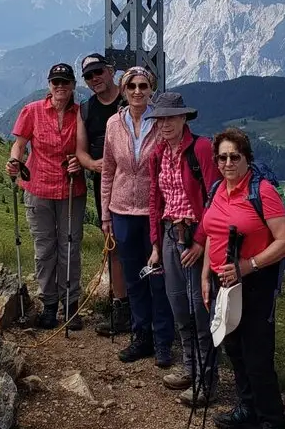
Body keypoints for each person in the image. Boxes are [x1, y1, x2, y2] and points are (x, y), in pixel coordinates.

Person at [200, 127, 285, 429]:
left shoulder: (261, 190)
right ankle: (248, 409)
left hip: (255, 284)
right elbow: (213, 235)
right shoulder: (216, 190)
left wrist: (248, 265)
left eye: (234, 157)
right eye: (222, 157)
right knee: (235, 350)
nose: (228, 163)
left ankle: (271, 420)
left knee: (257, 355)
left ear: (247, 158)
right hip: (222, 281)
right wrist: (205, 276)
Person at [145, 92, 220, 403]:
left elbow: (216, 199)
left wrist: (202, 241)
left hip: (195, 237)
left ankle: (206, 381)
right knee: (179, 307)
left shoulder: (201, 149)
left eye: (171, 118)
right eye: (160, 119)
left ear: (183, 119)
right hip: (169, 235)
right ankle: (190, 369)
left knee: (200, 310)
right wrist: (154, 244)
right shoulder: (158, 153)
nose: (165, 124)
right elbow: (154, 199)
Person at [100, 67, 175, 364]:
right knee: (133, 278)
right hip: (121, 211)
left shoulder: (161, 122)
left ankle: (163, 341)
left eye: (143, 86)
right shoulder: (112, 125)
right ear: (123, 89)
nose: (137, 91)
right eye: (131, 85)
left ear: (151, 89)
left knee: (158, 277)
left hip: (155, 212)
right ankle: (140, 335)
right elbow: (108, 170)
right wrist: (106, 213)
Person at [7, 63, 86, 330]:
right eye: (56, 82)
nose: (60, 87)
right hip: (38, 187)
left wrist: (80, 162)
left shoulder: (81, 114)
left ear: (73, 85)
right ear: (49, 85)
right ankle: (50, 305)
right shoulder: (32, 111)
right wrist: (14, 162)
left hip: (70, 188)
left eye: (65, 82)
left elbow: (85, 150)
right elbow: (19, 144)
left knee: (70, 247)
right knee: (44, 250)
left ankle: (71, 304)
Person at [75, 52, 130, 337]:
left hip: (136, 180)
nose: (95, 79)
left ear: (110, 71)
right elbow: (81, 152)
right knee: (114, 244)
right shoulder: (85, 109)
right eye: (88, 76)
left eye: (98, 72)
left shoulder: (130, 94)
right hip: (105, 183)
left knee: (143, 241)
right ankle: (122, 308)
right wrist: (94, 165)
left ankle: (141, 306)